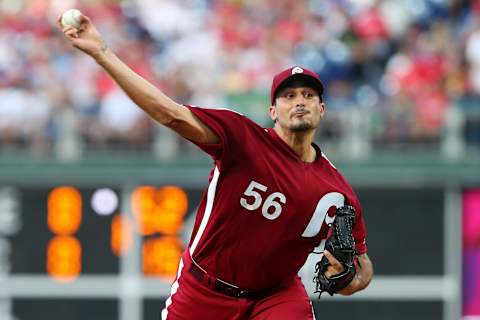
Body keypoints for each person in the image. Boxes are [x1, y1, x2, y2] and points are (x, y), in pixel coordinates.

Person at [58, 12, 373, 320]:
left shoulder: (336, 192)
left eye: (308, 95)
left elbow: (362, 266)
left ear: (322, 109)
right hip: (204, 290)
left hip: (275, 297)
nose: (299, 101)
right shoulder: (242, 139)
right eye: (288, 96)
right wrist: (102, 53)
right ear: (273, 111)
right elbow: (171, 114)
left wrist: (352, 280)